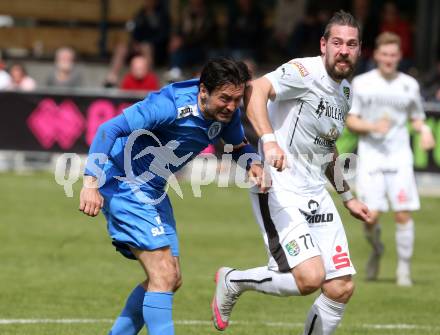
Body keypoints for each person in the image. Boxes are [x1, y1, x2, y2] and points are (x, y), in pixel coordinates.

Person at [211, 11, 371, 335]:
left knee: (340, 286)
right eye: (337, 42)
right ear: (324, 45)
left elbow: (326, 148)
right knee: (310, 278)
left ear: (358, 50)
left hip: (315, 193)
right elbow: (255, 90)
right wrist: (269, 142)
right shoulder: (303, 71)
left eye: (351, 44)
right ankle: (233, 280)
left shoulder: (345, 93)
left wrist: (348, 198)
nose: (343, 50)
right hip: (278, 186)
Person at [79, 58, 265, 335]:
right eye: (225, 98)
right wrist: (90, 183)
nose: (231, 106)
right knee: (163, 274)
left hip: (152, 188)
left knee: (171, 278)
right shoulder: (170, 106)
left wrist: (254, 164)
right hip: (123, 181)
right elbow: (109, 129)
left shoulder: (226, 113)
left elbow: (238, 146)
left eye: (237, 100)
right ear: (203, 91)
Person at [346, 32, 435, 286]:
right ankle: (376, 249)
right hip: (372, 157)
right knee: (370, 217)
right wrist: (373, 127)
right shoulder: (362, 83)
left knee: (402, 213)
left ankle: (404, 270)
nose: (388, 59)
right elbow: (351, 120)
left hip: (399, 158)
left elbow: (417, 117)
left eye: (393, 55)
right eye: (384, 54)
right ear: (376, 55)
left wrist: (425, 130)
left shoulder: (409, 84)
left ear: (399, 57)